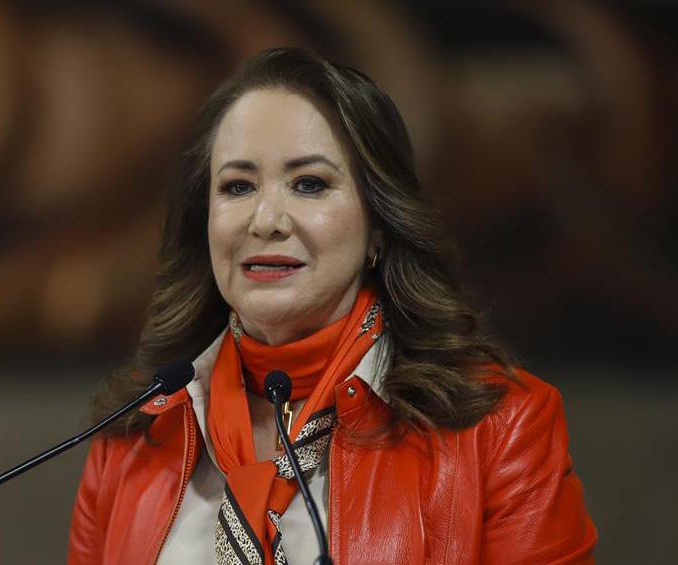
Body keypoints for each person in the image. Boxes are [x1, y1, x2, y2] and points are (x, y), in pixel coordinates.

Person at [67, 47, 597, 564]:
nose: (266, 220)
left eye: (309, 184)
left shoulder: (502, 429)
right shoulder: (134, 433)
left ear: (379, 226)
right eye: (238, 186)